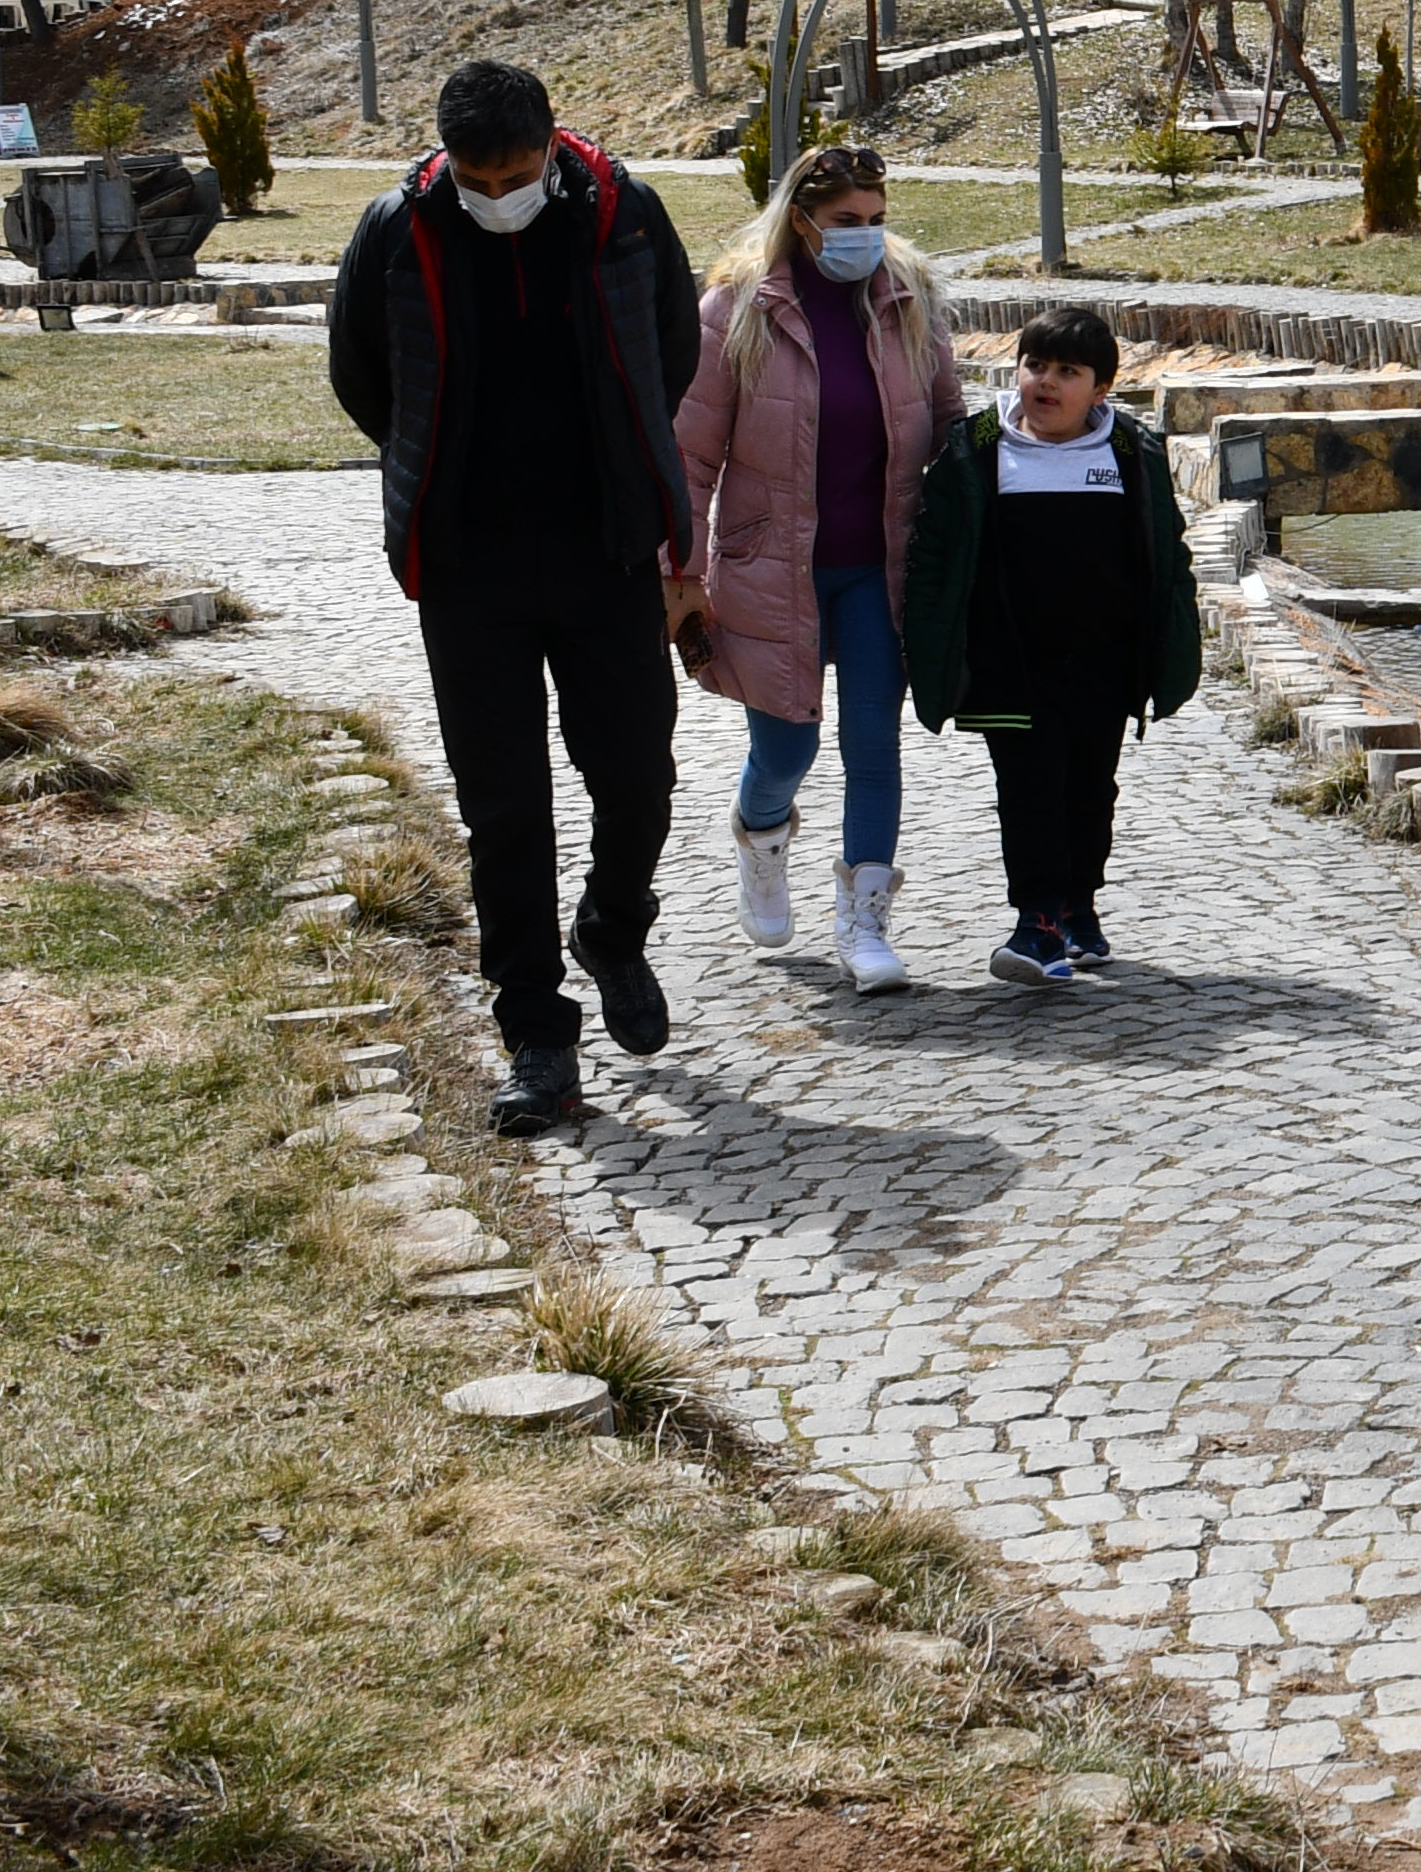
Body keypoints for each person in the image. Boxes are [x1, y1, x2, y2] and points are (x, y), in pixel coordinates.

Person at [326, 59, 702, 1134]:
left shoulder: (624, 212)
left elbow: (669, 349)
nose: (499, 193)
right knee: (505, 807)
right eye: (478, 176)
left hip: (607, 551)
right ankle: (536, 1031)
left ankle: (614, 925)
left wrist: (628, 478)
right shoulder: (398, 227)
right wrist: (432, 471)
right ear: (448, 158)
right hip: (470, 567)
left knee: (637, 776)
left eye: (517, 171)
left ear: (550, 142)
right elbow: (362, 375)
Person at [677, 140, 962, 997]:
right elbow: (690, 458)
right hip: (772, 566)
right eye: (846, 223)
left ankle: (864, 919)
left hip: (879, 569)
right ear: (801, 221)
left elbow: (949, 429)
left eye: (877, 221)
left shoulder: (909, 301)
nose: (866, 237)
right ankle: (760, 839)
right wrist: (679, 577)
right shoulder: (735, 312)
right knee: (786, 749)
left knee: (874, 745)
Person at [904, 304, 1202, 989]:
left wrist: (1171, 650)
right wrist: (929, 648)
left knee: (1089, 788)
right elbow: (934, 555)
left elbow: (1165, 554)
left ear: (1100, 391)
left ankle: (1079, 907)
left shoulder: (1131, 450)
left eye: (1067, 372)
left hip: (1104, 661)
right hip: (1008, 664)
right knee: (1030, 787)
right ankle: (1034, 922)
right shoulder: (975, 444)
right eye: (1035, 364)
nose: (1045, 382)